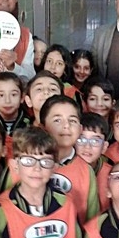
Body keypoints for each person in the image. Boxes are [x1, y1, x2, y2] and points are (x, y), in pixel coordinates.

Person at [40, 95, 100, 224]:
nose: (66, 125)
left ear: (80, 129)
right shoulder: (25, 166)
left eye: (72, 120)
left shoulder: (86, 171)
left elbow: (92, 222)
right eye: (57, 120)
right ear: (43, 127)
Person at [0, 71, 30, 156]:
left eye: (13, 95)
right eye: (1, 95)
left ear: (22, 97)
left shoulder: (31, 124)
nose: (7, 101)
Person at [76, 113, 111, 212]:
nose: (87, 147)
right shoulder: (65, 171)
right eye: (81, 139)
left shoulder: (111, 174)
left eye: (95, 141)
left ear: (104, 147)